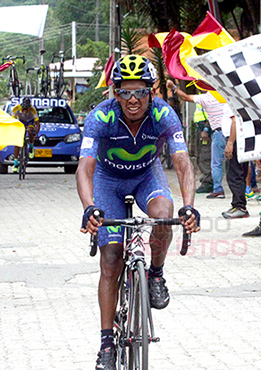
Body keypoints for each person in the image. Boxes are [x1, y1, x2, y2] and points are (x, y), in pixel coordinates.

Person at [75, 55, 200, 369]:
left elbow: (183, 162)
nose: (133, 99)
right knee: (111, 260)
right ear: (115, 93)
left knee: (164, 213)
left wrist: (190, 205)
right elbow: (85, 169)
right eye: (125, 92)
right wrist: (89, 207)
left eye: (140, 91)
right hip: (107, 181)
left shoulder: (164, 114)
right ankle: (106, 346)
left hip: (147, 175)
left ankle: (155, 274)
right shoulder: (100, 117)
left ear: (152, 92)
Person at [166, 80, 227, 199]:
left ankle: (217, 189)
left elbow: (185, 97)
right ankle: (244, 190)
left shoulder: (206, 97)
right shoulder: (223, 96)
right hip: (229, 131)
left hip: (217, 132)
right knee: (232, 163)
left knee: (216, 163)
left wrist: (174, 87)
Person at [222, 104, 250, 219]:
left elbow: (235, 121)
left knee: (234, 174)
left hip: (236, 139)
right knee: (238, 173)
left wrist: (230, 142)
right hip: (239, 139)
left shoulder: (231, 99)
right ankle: (237, 205)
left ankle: (240, 206)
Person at [11, 97, 40, 172]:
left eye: (27, 109)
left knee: (30, 130)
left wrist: (35, 133)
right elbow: (11, 121)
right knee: (17, 142)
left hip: (30, 122)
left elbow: (37, 123)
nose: (25, 111)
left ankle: (31, 146)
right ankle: (15, 162)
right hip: (20, 122)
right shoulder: (16, 109)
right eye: (24, 109)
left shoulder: (33, 110)